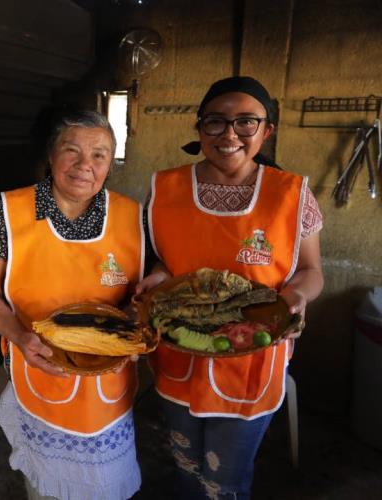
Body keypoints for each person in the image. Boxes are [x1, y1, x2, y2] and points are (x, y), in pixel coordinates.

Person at [138, 76, 324, 500]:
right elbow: (167, 261)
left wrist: (296, 296)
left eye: (246, 122)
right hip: (179, 349)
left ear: (267, 130)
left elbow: (312, 271)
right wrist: (158, 278)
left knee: (226, 480)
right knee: (185, 465)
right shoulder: (163, 189)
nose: (229, 135)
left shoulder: (292, 195)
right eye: (216, 122)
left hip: (253, 354)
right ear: (199, 128)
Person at [0, 109, 145, 500]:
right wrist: (18, 334)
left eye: (99, 154)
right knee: (45, 487)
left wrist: (139, 318)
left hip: (108, 382)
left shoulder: (133, 216)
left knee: (104, 485)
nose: (86, 165)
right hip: (36, 365)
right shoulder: (7, 213)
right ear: (51, 156)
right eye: (72, 151)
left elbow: (147, 290)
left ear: (110, 164)